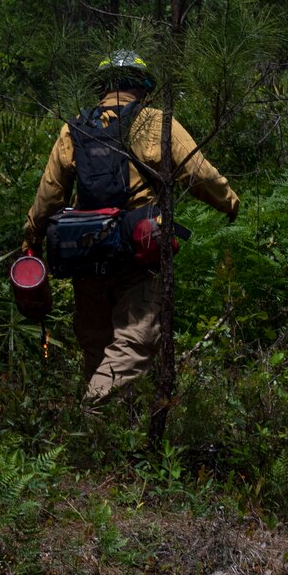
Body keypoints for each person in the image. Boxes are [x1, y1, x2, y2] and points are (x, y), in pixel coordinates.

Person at [22, 51, 240, 405]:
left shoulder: (73, 127)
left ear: (103, 87)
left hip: (86, 254)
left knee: (96, 344)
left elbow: (48, 195)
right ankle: (93, 410)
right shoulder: (154, 121)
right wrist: (229, 201)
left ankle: (100, 443)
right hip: (140, 254)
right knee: (135, 341)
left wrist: (30, 238)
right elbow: (199, 173)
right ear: (142, 87)